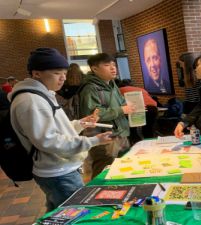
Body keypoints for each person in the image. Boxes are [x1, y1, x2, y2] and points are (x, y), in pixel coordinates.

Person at [8, 48, 114, 212]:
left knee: (58, 212)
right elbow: (49, 141)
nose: (63, 77)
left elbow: (55, 130)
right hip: (58, 172)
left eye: (64, 72)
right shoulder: (30, 101)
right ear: (37, 73)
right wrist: (94, 141)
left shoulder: (42, 94)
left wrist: (80, 124)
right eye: (57, 72)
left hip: (61, 168)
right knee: (73, 214)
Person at [79, 53, 136, 179]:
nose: (113, 68)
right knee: (104, 172)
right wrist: (121, 109)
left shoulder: (112, 84)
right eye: (107, 65)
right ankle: (98, 198)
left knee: (123, 169)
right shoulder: (90, 88)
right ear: (94, 69)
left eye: (113, 65)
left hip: (121, 134)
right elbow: (93, 115)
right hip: (104, 138)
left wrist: (129, 106)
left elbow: (120, 103)